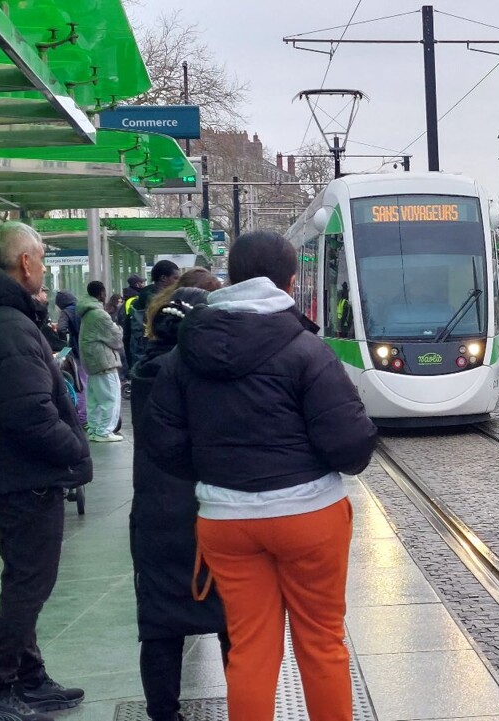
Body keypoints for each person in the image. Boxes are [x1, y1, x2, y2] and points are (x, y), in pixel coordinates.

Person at [146, 230, 377, 721]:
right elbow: (351, 446)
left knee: (250, 647)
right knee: (321, 643)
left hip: (226, 522)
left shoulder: (188, 351)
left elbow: (162, 442)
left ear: (231, 276)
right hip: (309, 514)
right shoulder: (307, 350)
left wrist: (218, 473)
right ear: (290, 283)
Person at [0, 221, 92, 721]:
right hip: (25, 476)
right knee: (28, 586)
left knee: (25, 580)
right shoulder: (8, 325)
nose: (46, 268)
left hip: (11, 473)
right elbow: (27, 411)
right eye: (41, 257)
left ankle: (29, 679)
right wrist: (72, 452)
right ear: (26, 263)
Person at [129, 286, 228, 721]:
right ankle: (246, 704)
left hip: (153, 514)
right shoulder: (207, 376)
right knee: (232, 621)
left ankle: (163, 713)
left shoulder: (143, 374)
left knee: (159, 624)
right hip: (209, 510)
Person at [79, 281, 124, 443]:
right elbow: (116, 339)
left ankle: (94, 429)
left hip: (92, 362)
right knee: (110, 398)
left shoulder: (87, 312)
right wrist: (118, 328)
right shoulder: (99, 314)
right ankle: (104, 431)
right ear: (102, 293)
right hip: (104, 362)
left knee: (94, 400)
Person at [127, 261, 180, 369]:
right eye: (175, 278)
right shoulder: (155, 300)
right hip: (147, 352)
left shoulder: (146, 295)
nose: (178, 282)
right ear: (164, 278)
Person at [55, 290, 86, 426]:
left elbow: (61, 329)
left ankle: (82, 416)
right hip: (88, 349)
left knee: (79, 383)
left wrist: (63, 340)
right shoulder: (81, 308)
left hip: (76, 349)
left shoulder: (66, 311)